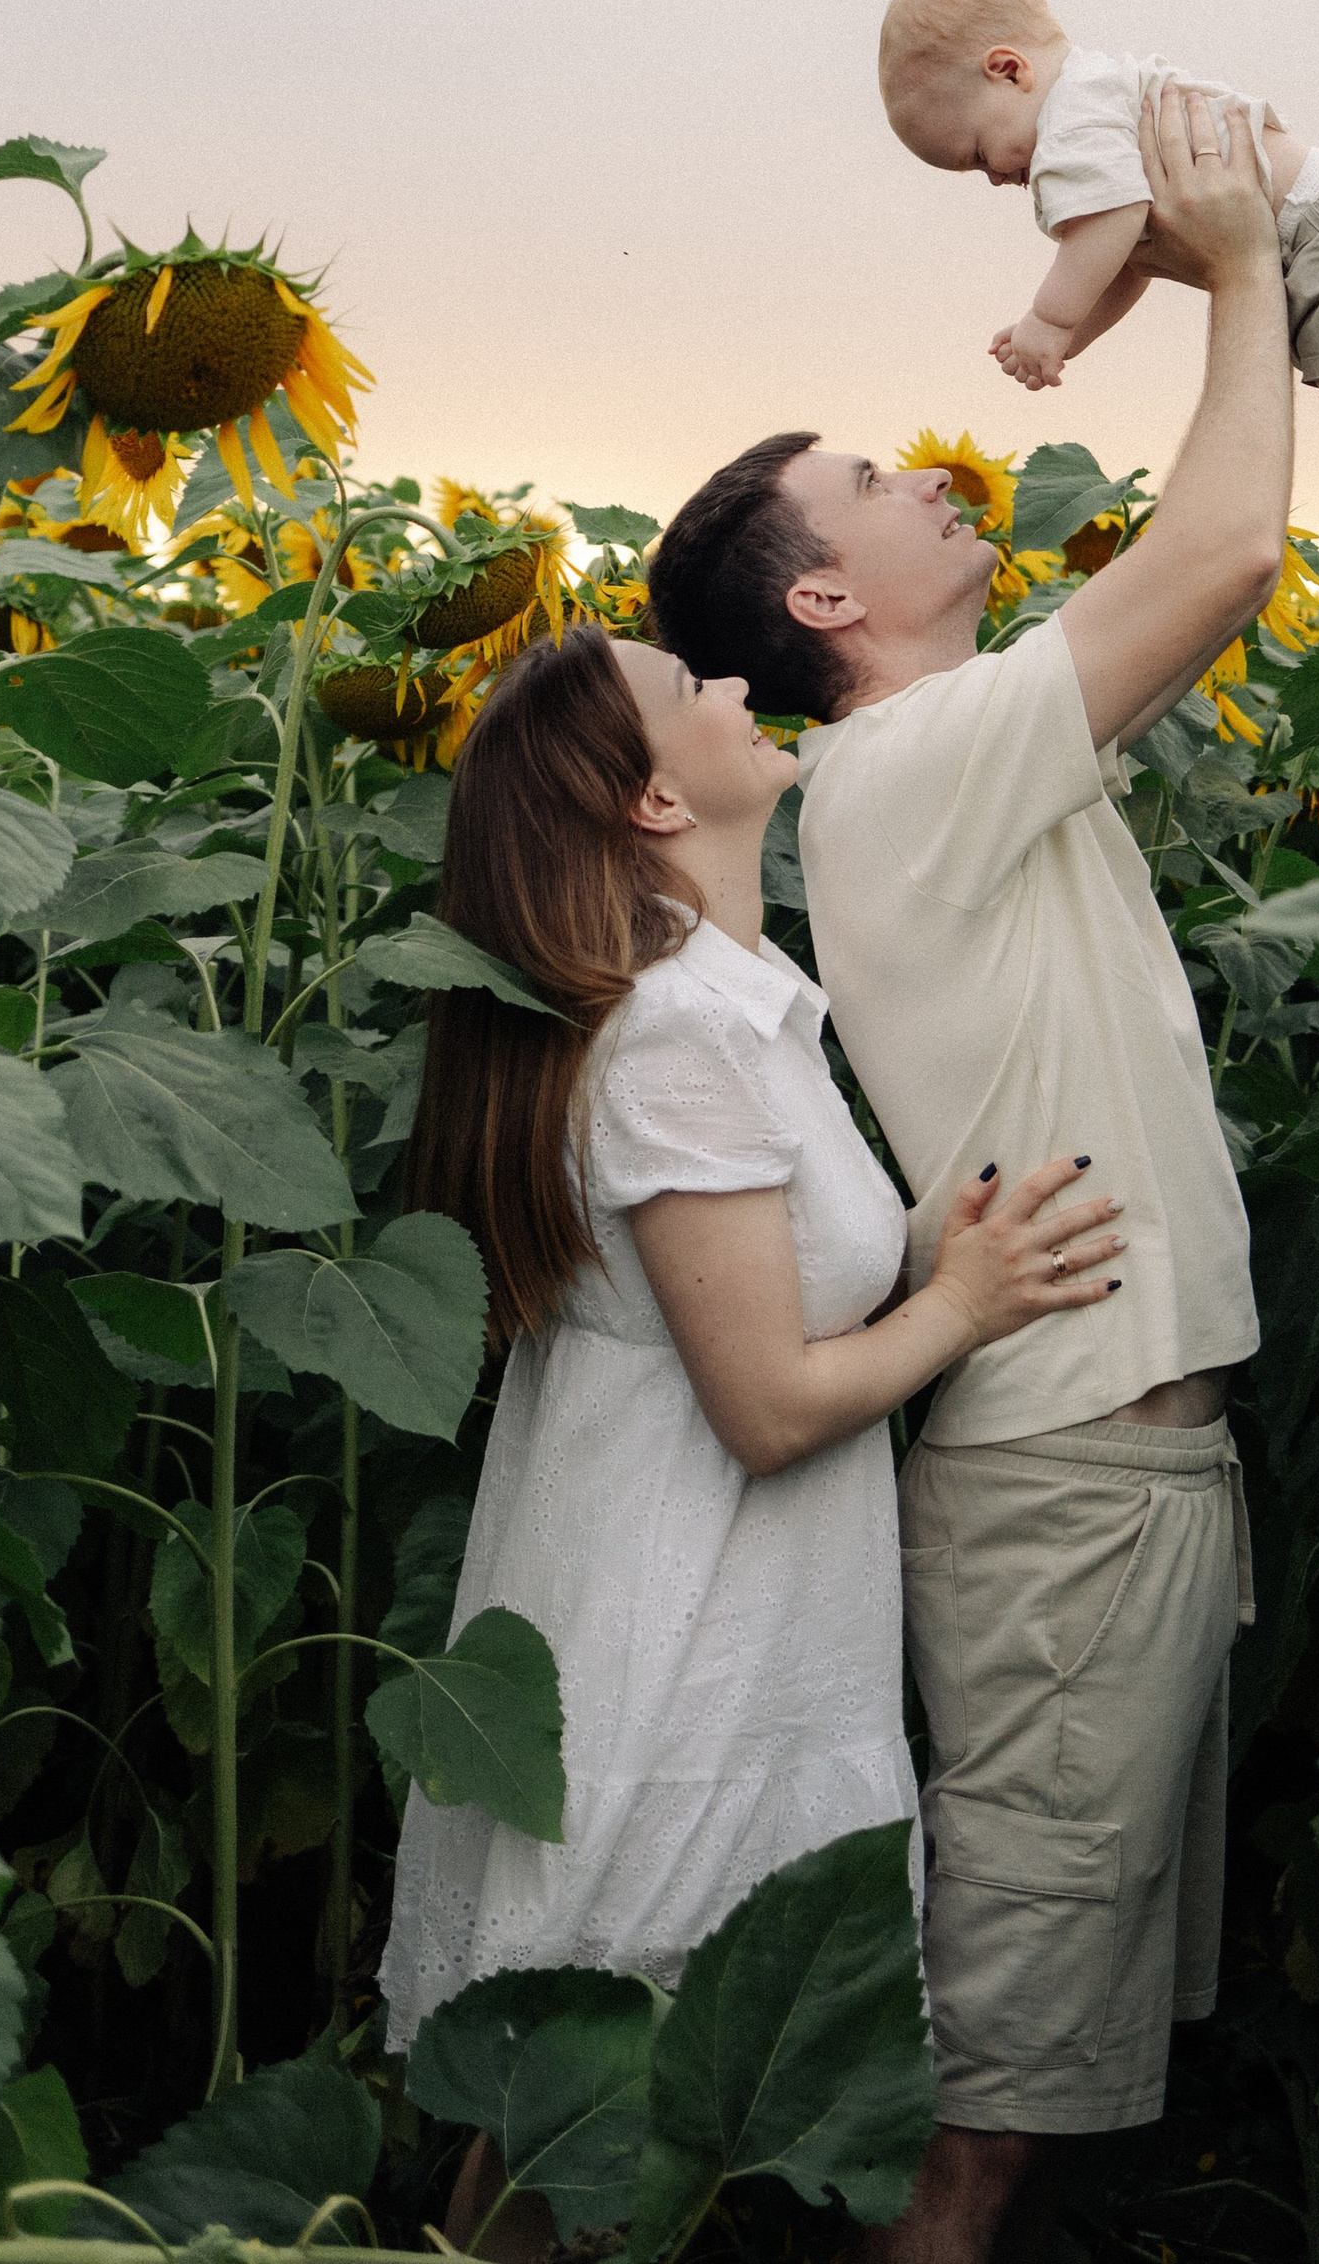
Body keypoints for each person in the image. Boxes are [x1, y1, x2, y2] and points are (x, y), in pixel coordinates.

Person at [647, 86, 1292, 2263]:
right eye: (868, 483)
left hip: (1116, 1475)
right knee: (991, 2106)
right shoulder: (907, 757)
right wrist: (1242, 266)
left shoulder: (958, 754)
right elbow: (1218, 560)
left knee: (1057, 2051)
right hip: (1070, 1494)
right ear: (824, 591)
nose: (933, 469)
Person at [379, 620, 1123, 2264]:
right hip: (687, 1660)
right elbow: (769, 1404)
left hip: (720, 1636)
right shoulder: (682, 1038)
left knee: (592, 2140)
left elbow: (775, 1287)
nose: (731, 687)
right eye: (689, 691)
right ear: (651, 800)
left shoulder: (731, 1012)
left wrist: (932, 1251)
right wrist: (967, 1306)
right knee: (576, 2144)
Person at [875, 0, 1319, 731]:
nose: (997, 179)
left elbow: (1106, 228)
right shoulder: (1100, 114)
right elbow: (1127, 264)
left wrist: (1048, 320)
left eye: (977, 153)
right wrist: (1070, 339)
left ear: (1008, 70)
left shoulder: (1075, 114)